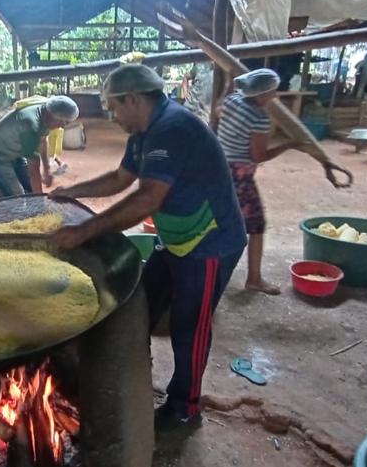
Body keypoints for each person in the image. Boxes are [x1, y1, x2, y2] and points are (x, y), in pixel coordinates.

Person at [49, 64, 247, 429]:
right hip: (177, 237)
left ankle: (185, 408)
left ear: (134, 99)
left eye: (113, 107)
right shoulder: (144, 131)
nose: (111, 115)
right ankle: (132, 379)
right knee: (140, 303)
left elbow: (146, 200)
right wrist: (70, 192)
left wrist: (84, 232)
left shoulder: (173, 129)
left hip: (209, 244)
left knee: (191, 326)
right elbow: (121, 178)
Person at [216, 68, 346, 295]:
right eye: (272, 92)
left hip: (218, 169)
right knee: (256, 226)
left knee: (220, 222)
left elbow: (217, 111)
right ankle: (253, 279)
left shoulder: (232, 101)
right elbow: (258, 156)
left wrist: (227, 86)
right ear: (262, 93)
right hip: (239, 176)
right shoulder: (259, 118)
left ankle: (212, 272)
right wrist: (290, 144)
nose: (275, 96)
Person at [0, 95, 79, 197]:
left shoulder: (47, 109)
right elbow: (33, 170)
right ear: (51, 115)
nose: (62, 126)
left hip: (14, 150)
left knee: (27, 188)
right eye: (62, 122)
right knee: (17, 196)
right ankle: (4, 200)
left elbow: (43, 140)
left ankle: (2, 194)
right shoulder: (31, 126)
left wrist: (47, 169)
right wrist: (40, 204)